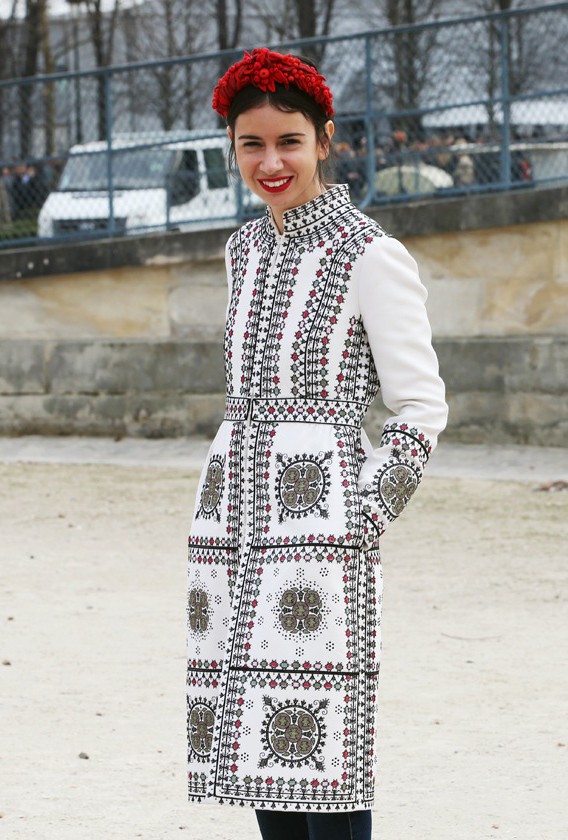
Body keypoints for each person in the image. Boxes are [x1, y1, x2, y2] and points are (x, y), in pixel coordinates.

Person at [184, 48, 449, 840]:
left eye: (289, 142)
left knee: (323, 753)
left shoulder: (371, 254)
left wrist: (362, 516)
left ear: (325, 139)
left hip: (320, 531)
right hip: (230, 525)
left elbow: (420, 405)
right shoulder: (243, 251)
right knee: (261, 747)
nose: (271, 162)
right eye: (251, 145)